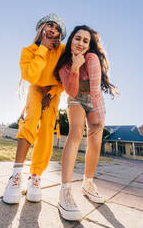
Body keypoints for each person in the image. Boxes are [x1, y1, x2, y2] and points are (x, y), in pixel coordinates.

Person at [54, 25, 118, 221]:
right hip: (76, 100)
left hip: (94, 100)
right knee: (75, 132)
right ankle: (64, 191)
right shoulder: (64, 65)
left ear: (89, 46)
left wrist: (98, 119)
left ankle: (88, 183)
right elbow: (72, 93)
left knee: (95, 141)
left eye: (85, 41)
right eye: (77, 38)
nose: (80, 43)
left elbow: (96, 91)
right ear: (71, 40)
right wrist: (74, 67)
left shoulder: (92, 59)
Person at [3, 13, 66, 204]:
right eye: (50, 25)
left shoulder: (63, 51)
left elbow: (65, 79)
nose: (53, 30)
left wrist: (51, 93)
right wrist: (44, 49)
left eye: (57, 29)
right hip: (35, 89)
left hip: (52, 93)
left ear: (59, 35)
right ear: (41, 28)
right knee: (29, 124)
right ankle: (16, 175)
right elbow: (30, 75)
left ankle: (35, 177)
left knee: (47, 131)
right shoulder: (29, 50)